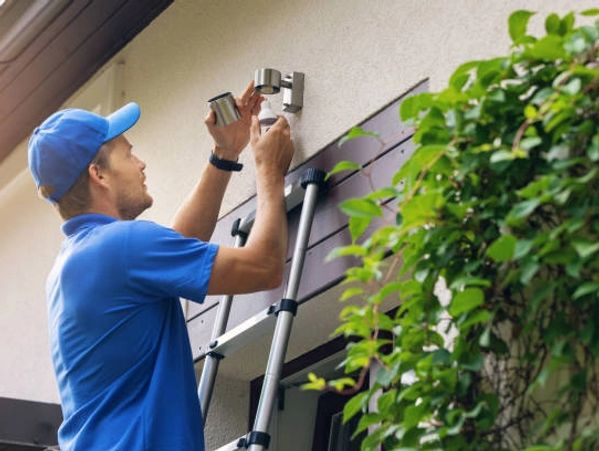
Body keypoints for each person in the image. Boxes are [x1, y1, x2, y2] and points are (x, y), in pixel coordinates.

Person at [27, 81, 294, 450]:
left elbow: (178, 245)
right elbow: (264, 267)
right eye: (128, 153)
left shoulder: (78, 260)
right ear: (98, 174)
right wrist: (269, 170)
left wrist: (225, 153)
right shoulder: (121, 247)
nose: (141, 163)